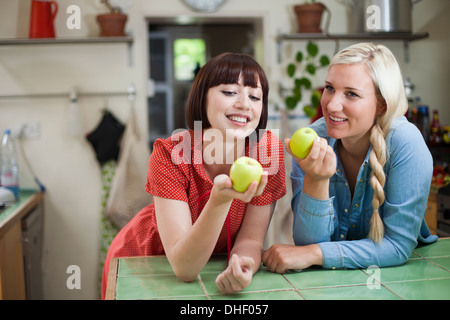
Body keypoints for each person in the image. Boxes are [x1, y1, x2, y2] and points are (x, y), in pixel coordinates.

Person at [101, 53, 286, 299]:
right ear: (202, 98)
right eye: (229, 92)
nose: (245, 104)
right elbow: (184, 267)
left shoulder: (267, 152)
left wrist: (243, 267)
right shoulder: (170, 154)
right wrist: (219, 200)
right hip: (148, 260)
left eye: (255, 96)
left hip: (213, 263)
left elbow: (251, 238)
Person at [262, 42, 438, 273]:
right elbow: (307, 243)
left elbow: (397, 246)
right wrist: (317, 178)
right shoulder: (312, 141)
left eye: (351, 94)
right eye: (329, 88)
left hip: (401, 276)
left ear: (381, 105)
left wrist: (316, 253)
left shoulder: (405, 143)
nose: (332, 105)